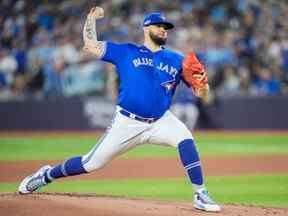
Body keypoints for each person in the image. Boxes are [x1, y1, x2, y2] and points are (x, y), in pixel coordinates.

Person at [18, 7, 220, 212]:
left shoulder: (177, 60)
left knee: (185, 137)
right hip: (128, 122)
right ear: (146, 28)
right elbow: (91, 46)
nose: (163, 30)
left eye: (166, 27)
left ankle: (200, 193)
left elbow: (201, 94)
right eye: (159, 26)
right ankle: (45, 175)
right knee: (91, 163)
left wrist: (203, 84)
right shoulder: (127, 51)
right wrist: (91, 19)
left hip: (160, 120)